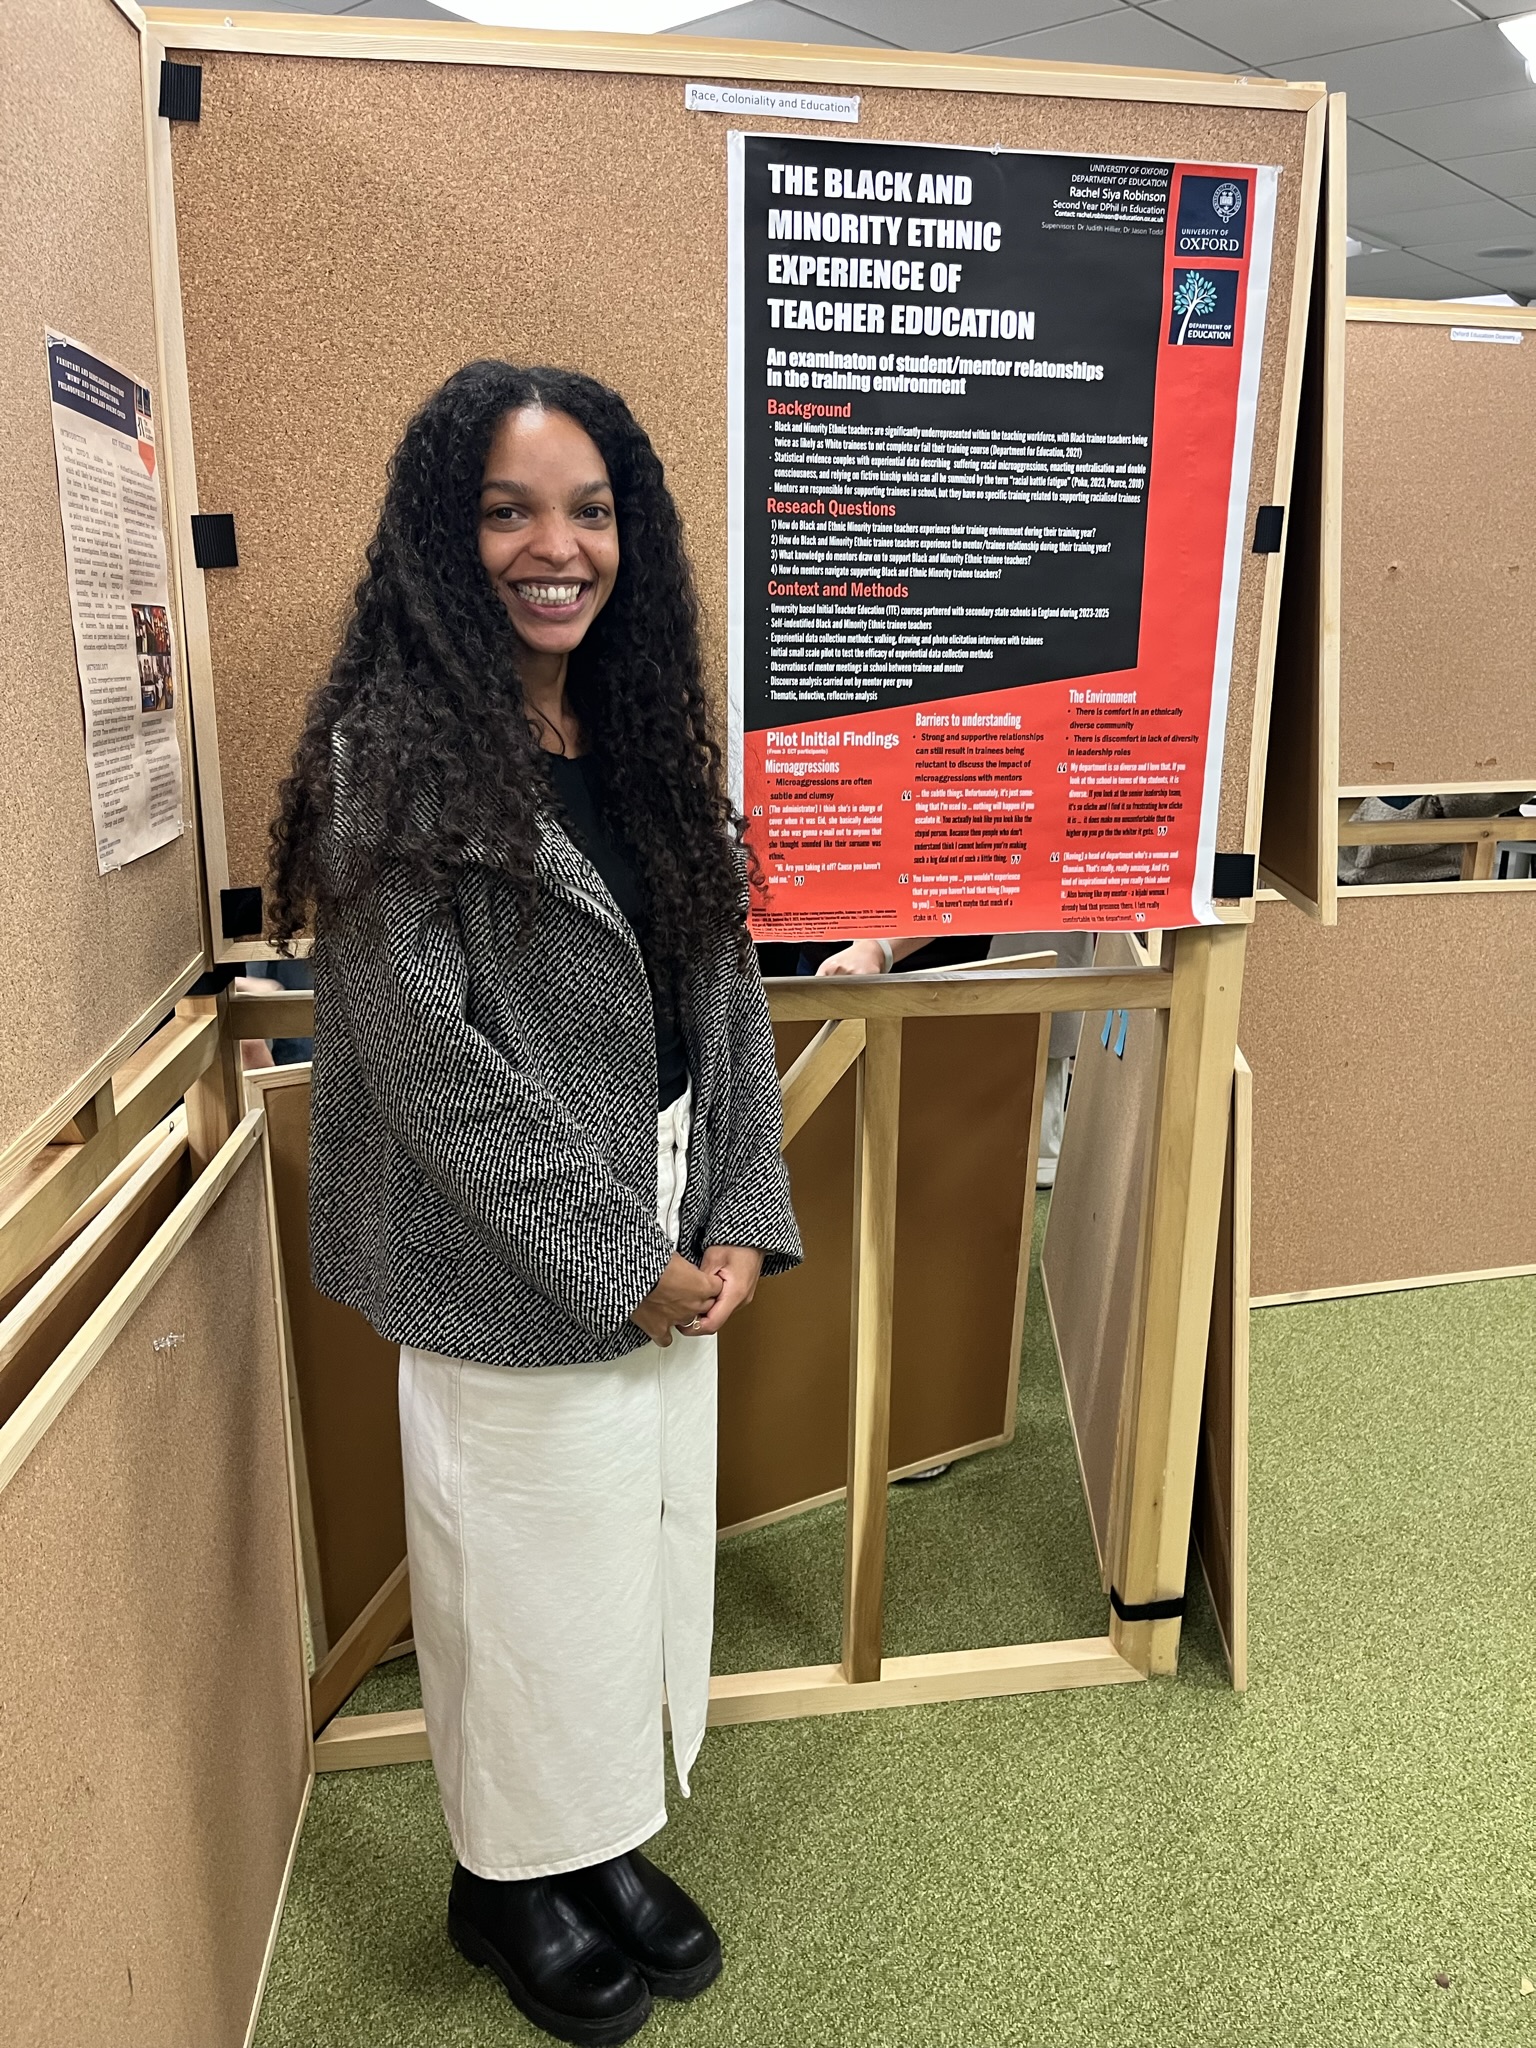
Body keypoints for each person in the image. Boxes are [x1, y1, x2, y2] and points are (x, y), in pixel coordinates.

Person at [266, 360, 801, 2046]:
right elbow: (432, 1076)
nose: (553, 546)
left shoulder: (640, 733)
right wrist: (619, 1259)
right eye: (508, 510)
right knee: (521, 1579)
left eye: (586, 509)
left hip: (664, 1216)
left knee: (635, 1552)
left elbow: (724, 992)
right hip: (508, 1248)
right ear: (446, 534)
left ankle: (598, 1836)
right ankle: (506, 1876)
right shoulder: (386, 764)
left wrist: (737, 1201)